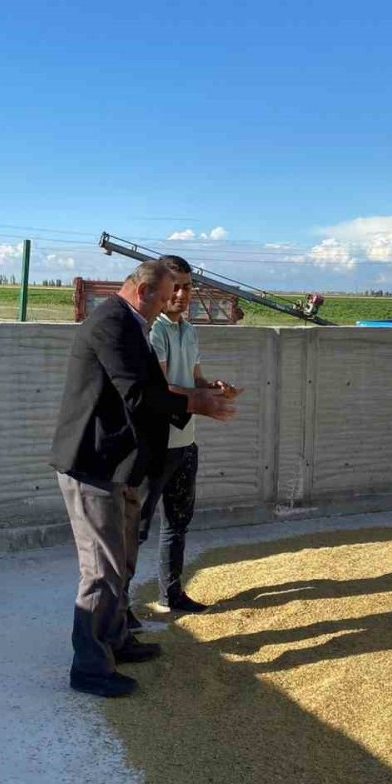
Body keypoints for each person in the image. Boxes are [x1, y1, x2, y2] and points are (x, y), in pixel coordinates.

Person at [50, 260, 236, 698]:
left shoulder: (129, 323)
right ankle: (91, 669)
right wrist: (196, 404)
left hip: (118, 464)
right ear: (143, 292)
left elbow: (150, 389)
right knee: (101, 570)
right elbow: (137, 393)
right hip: (93, 463)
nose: (174, 301)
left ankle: (116, 641)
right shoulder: (112, 323)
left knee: (120, 563)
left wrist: (198, 394)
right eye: (168, 293)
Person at [138, 256, 241, 614]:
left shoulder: (188, 330)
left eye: (187, 287)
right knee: (134, 529)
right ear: (161, 288)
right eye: (175, 286)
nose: (181, 294)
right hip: (157, 442)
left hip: (185, 441)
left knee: (177, 523)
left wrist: (213, 387)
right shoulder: (155, 331)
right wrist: (203, 399)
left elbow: (193, 381)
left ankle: (172, 593)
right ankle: (119, 607)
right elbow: (164, 388)